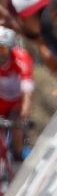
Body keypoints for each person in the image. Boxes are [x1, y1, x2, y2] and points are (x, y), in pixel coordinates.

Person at [0, 27, 34, 163]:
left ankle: (19, 156)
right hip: (2, 100)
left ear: (11, 49)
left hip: (17, 100)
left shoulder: (22, 58)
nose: (0, 55)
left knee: (17, 122)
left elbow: (28, 92)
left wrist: (25, 113)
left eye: (3, 50)